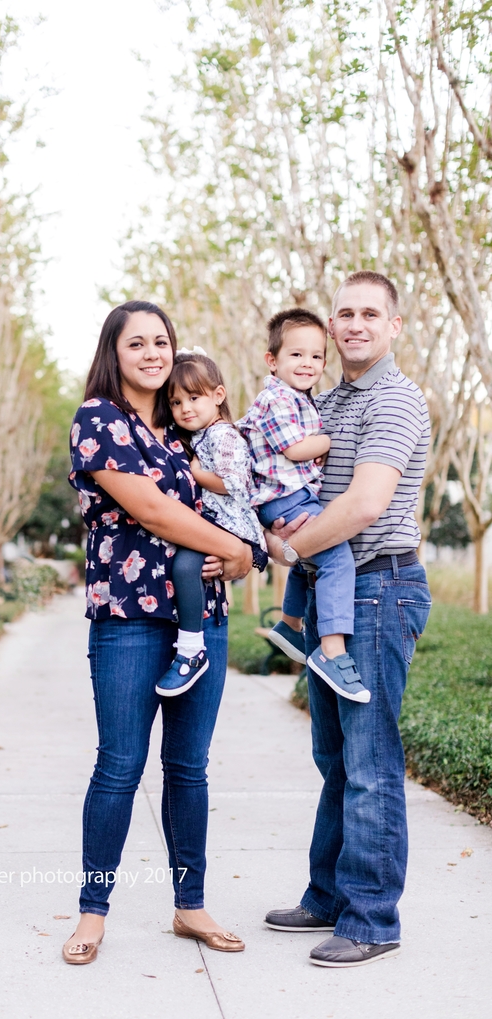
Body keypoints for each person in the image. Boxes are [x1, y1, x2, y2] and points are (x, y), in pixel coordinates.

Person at [63, 300, 252, 965]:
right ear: (113, 352)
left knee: (188, 767)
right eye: (137, 342)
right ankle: (92, 913)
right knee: (120, 764)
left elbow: (230, 488)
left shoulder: (182, 426)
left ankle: (190, 905)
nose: (152, 352)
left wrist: (239, 548)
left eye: (162, 341)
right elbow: (151, 509)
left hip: (201, 616)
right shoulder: (98, 419)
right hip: (129, 617)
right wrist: (236, 547)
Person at [263, 271, 431, 967]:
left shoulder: (395, 399)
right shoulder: (325, 400)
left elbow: (364, 506)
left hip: (379, 589)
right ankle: (329, 895)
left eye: (371, 313)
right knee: (334, 757)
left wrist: (282, 551)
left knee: (369, 760)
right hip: (334, 593)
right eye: (345, 314)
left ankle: (371, 918)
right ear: (331, 328)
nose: (356, 324)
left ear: (394, 326)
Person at [238, 309, 370, 704]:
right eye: (296, 355)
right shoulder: (277, 397)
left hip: (290, 495)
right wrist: (335, 439)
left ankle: (290, 624)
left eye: (316, 357)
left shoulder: (296, 397)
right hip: (285, 497)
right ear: (272, 360)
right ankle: (333, 652)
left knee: (310, 558)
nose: (307, 364)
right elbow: (295, 448)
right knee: (336, 558)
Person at [155, 351, 267, 697]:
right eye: (175, 402)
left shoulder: (223, 435)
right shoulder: (201, 435)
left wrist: (194, 473)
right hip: (219, 524)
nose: (185, 408)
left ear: (218, 397)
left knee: (188, 566)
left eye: (194, 397)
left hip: (232, 525)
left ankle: (191, 649)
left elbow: (234, 482)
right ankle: (190, 646)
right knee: (190, 567)